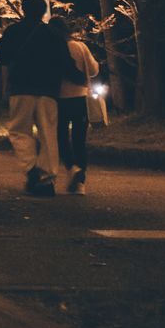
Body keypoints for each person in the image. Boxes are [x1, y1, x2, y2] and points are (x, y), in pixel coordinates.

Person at [0, 0, 71, 197]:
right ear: (44, 11)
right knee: (48, 134)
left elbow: (2, 57)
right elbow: (65, 61)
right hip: (48, 90)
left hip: (21, 87)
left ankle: (31, 169)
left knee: (19, 131)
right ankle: (47, 177)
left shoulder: (14, 31)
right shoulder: (53, 34)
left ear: (23, 9)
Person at [49, 16, 100, 195]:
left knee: (60, 137)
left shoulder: (53, 48)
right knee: (79, 140)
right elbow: (94, 70)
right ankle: (81, 183)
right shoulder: (80, 46)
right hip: (81, 98)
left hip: (60, 99)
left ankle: (71, 168)